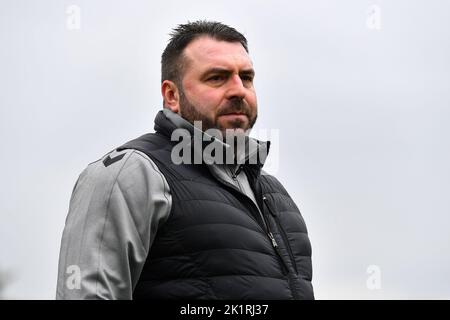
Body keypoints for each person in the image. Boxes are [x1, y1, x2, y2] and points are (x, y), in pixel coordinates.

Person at [56, 20, 314, 300]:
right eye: (217, 77)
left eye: (247, 77)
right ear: (171, 95)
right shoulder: (131, 174)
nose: (239, 90)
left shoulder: (276, 196)